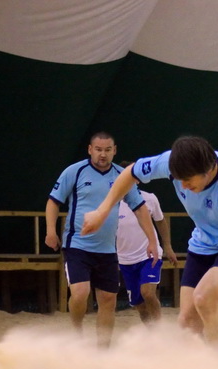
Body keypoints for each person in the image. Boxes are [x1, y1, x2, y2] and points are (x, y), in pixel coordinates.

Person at [82, 135, 218, 353]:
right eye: (178, 179)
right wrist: (102, 211)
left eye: (188, 180)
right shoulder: (171, 162)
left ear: (208, 170)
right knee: (187, 323)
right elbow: (130, 173)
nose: (183, 186)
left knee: (204, 298)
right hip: (203, 242)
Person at [45, 132, 158, 348]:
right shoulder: (75, 171)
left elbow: (140, 209)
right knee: (80, 293)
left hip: (107, 249)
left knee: (108, 298)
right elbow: (53, 202)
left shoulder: (122, 176)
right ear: (90, 150)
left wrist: (152, 240)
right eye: (98, 150)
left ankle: (103, 348)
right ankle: (76, 333)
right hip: (77, 245)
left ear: (114, 151)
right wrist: (51, 231)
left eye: (107, 150)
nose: (102, 154)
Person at [117, 177, 178, 323]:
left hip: (149, 255)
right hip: (125, 259)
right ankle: (150, 332)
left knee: (148, 293)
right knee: (139, 305)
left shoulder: (149, 198)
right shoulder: (112, 202)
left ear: (137, 181)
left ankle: (159, 328)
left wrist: (168, 246)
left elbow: (160, 221)